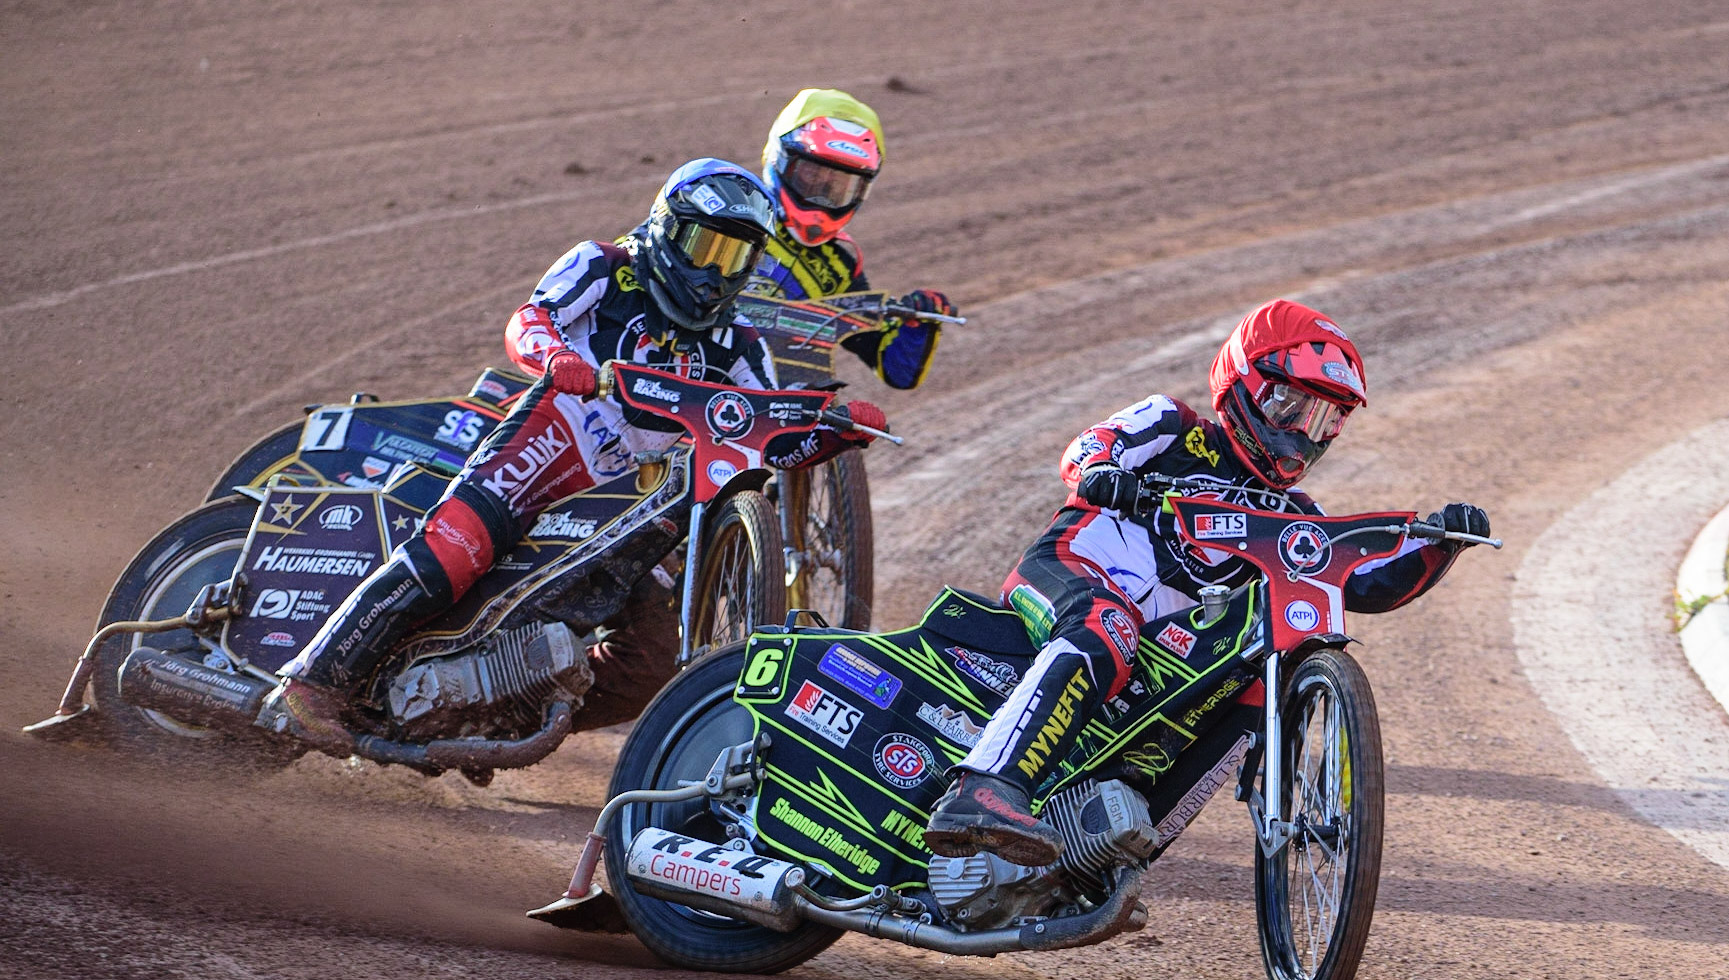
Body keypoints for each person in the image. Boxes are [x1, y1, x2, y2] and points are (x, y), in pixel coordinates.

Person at [258, 159, 886, 752]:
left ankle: (497, 714)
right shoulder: (604, 266)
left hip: (634, 495)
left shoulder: (740, 341)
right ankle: (309, 685)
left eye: (737, 256)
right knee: (455, 550)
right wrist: (558, 358)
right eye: (706, 247)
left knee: (652, 661)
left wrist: (838, 433)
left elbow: (771, 433)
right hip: (554, 438)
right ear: (668, 229)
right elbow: (530, 319)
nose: (716, 272)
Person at [922, 299, 1490, 864]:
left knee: (1254, 681)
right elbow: (1093, 444)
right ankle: (982, 790)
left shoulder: (1294, 514)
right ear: (1242, 382)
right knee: (1107, 625)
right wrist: (1102, 473)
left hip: (1151, 650)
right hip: (1069, 570)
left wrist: (1440, 544)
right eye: (1290, 405)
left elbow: (1363, 582)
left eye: (1323, 419)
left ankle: (1110, 858)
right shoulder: (1172, 424)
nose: (1302, 433)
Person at [750, 88, 955, 391]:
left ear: (861, 190)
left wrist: (918, 324)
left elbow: (897, 370)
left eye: (839, 185)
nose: (822, 193)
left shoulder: (838, 270)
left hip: (762, 409)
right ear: (780, 160)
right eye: (812, 175)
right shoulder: (732, 213)